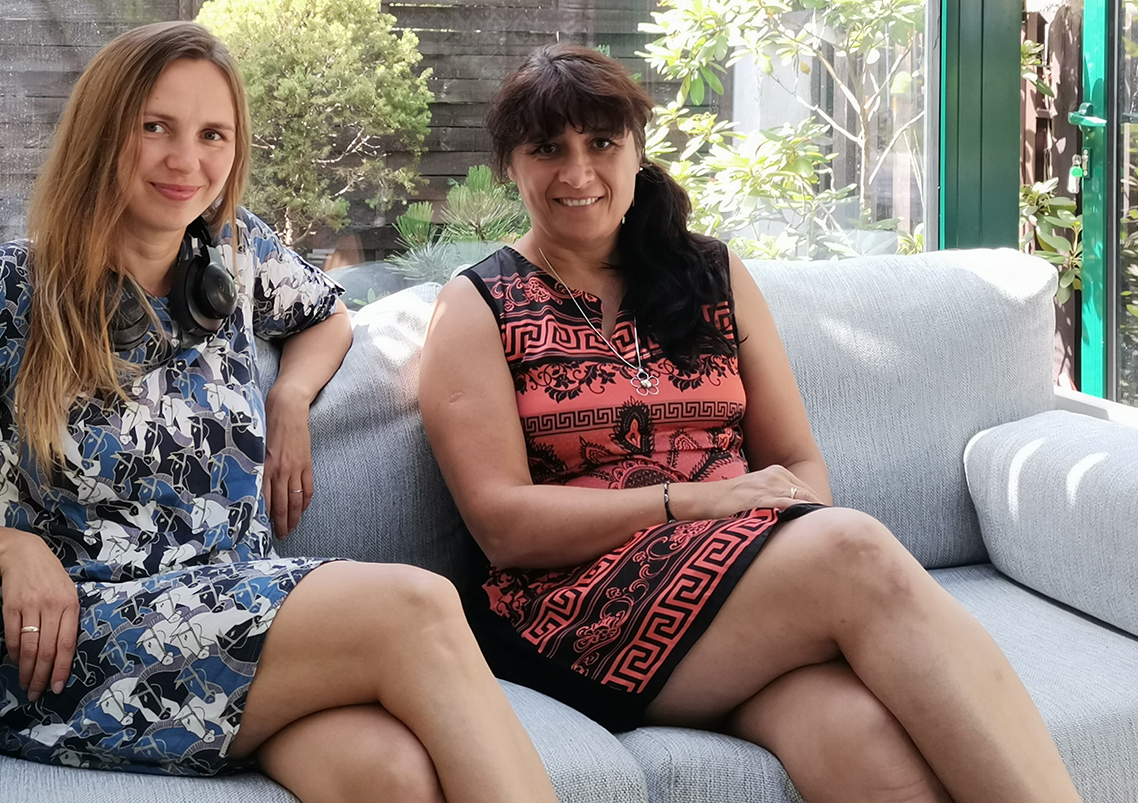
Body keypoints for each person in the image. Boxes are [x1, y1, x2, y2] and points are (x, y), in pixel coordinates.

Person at [0, 21, 557, 803]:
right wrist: (12, 550)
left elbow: (327, 317)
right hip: (76, 645)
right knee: (416, 607)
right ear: (101, 133)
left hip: (233, 623)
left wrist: (289, 399)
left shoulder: (232, 255)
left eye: (213, 134)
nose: (187, 160)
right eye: (156, 127)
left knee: (391, 778)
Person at [418, 44, 1083, 803]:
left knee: (859, 740)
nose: (578, 173)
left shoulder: (711, 274)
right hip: (575, 614)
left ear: (635, 152)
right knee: (854, 549)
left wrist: (784, 556)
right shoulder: (477, 305)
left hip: (736, 588)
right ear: (510, 166)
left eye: (601, 143)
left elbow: (798, 462)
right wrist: (699, 503)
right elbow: (503, 527)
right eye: (548, 150)